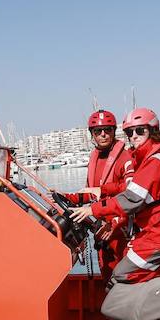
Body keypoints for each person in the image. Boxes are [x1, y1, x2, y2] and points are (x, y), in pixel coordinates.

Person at [70, 107, 160, 291]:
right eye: (129, 132)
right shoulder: (146, 158)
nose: (134, 136)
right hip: (155, 227)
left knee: (122, 274)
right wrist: (99, 191)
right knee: (119, 274)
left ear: (152, 130)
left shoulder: (155, 160)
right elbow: (127, 187)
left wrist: (93, 210)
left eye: (140, 131)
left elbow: (132, 197)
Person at [56, 109, 135, 280]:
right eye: (98, 131)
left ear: (114, 131)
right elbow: (91, 192)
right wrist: (67, 197)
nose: (103, 135)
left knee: (125, 281)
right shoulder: (94, 158)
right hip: (100, 228)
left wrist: (115, 222)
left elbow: (132, 191)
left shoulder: (125, 157)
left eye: (108, 130)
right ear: (92, 134)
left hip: (121, 230)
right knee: (108, 278)